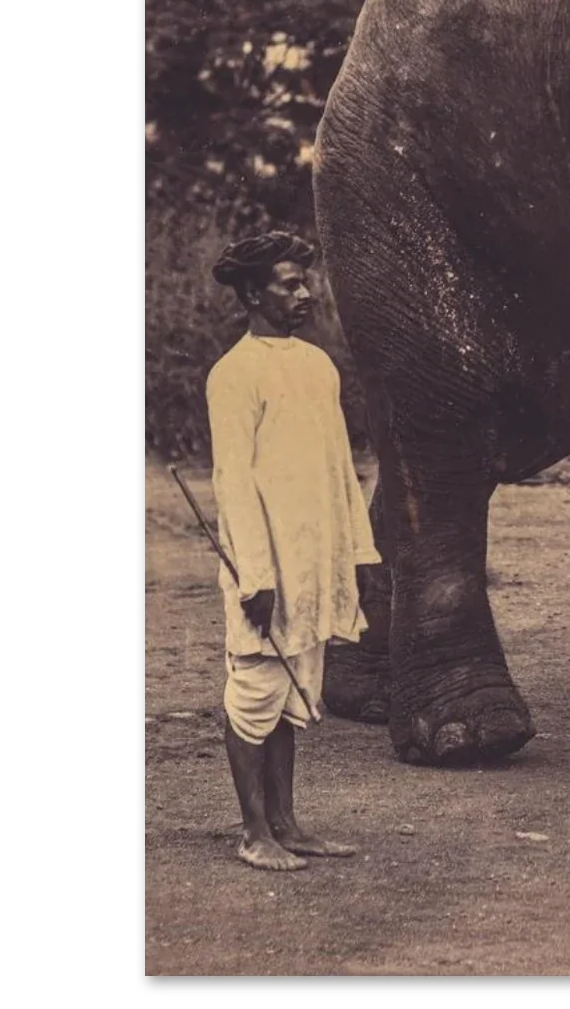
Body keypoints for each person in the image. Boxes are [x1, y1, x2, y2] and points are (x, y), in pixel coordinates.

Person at [205, 230, 381, 871]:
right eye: (289, 284)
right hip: (265, 568)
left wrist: (357, 555)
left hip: (314, 562)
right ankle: (254, 832)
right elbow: (233, 482)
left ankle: (287, 823)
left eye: (305, 282)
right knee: (254, 691)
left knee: (292, 694)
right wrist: (255, 575)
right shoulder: (234, 375)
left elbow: (340, 469)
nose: (305, 294)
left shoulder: (317, 366)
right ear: (253, 293)